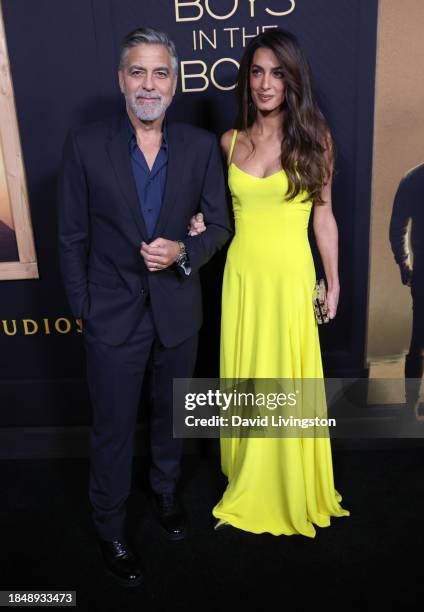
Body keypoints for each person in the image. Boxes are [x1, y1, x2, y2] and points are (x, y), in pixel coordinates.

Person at [57, 27, 231, 586]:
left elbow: (220, 226)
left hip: (179, 311)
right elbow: (70, 236)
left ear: (175, 85)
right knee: (111, 428)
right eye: (138, 72)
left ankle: (164, 494)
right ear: (121, 81)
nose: (148, 84)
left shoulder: (202, 148)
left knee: (172, 418)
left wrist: (186, 250)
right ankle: (109, 525)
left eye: (160, 73)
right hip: (111, 316)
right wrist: (86, 307)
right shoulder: (85, 145)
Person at [192, 29, 349, 536]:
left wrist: (334, 280)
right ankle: (248, 477)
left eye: (276, 73)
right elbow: (219, 216)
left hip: (288, 277)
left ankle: (287, 481)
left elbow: (323, 217)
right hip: (242, 277)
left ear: (291, 79)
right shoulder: (229, 142)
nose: (265, 84)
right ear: (247, 79)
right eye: (257, 72)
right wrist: (199, 224)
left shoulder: (314, 138)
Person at [389, 163, 424, 418]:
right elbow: (397, 228)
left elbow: (397, 228)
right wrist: (404, 263)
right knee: (418, 343)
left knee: (418, 343)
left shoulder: (413, 178)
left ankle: (409, 409)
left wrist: (404, 264)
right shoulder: (413, 179)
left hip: (422, 272)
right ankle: (409, 409)